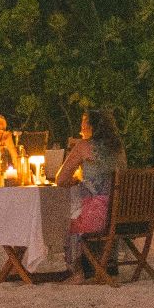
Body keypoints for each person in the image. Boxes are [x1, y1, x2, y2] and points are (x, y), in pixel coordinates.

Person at [58, 109, 118, 272]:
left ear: (90, 126)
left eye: (84, 122)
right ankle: (107, 265)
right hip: (120, 214)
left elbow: (60, 180)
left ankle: (78, 271)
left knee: (64, 219)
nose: (81, 126)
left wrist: (76, 180)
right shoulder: (118, 148)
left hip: (99, 217)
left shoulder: (83, 146)